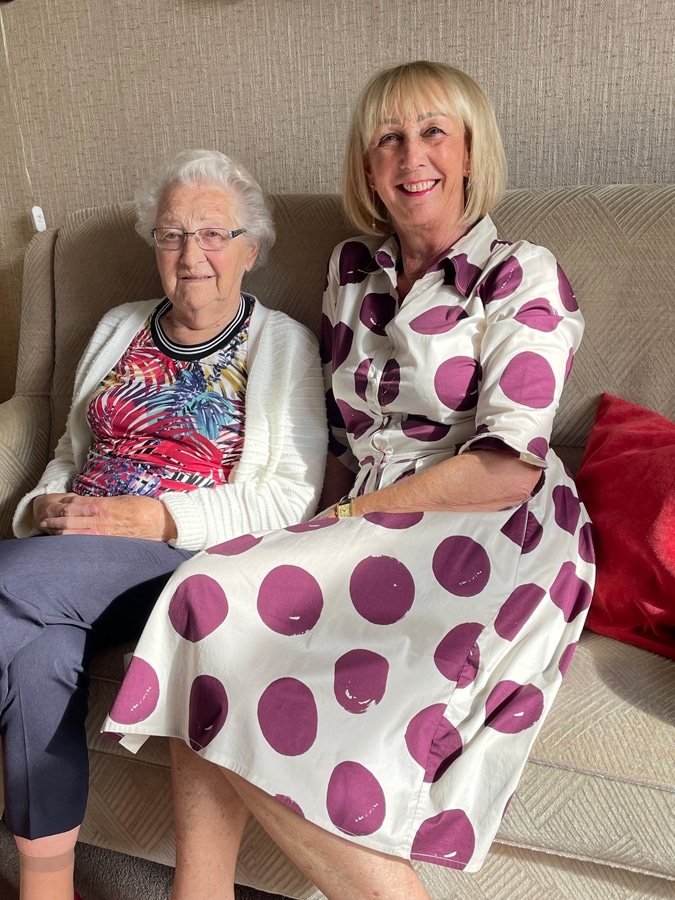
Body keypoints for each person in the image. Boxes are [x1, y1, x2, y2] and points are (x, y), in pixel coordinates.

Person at [104, 63, 595, 899]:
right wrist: (297, 533)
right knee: (207, 599)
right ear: (367, 167)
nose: (412, 156)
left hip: (486, 523)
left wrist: (350, 518)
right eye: (388, 138)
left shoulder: (520, 272)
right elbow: (339, 437)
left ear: (470, 152)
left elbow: (506, 466)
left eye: (433, 132)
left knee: (208, 606)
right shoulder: (349, 270)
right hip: (365, 514)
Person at [0, 148, 327, 900]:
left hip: (181, 561)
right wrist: (42, 506)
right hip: (69, 551)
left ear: (251, 248)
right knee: (39, 656)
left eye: (213, 234)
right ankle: (46, 890)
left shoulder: (281, 343)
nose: (190, 254)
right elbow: (72, 453)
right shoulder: (119, 326)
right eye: (172, 234)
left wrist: (153, 516)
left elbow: (290, 498)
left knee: (5, 583)